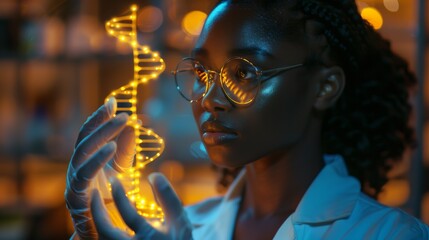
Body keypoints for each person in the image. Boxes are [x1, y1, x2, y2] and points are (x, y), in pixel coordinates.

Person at [65, 0, 429, 239]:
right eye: (203, 73)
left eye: (243, 74)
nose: (209, 99)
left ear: (324, 87)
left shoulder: (390, 234)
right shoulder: (183, 227)